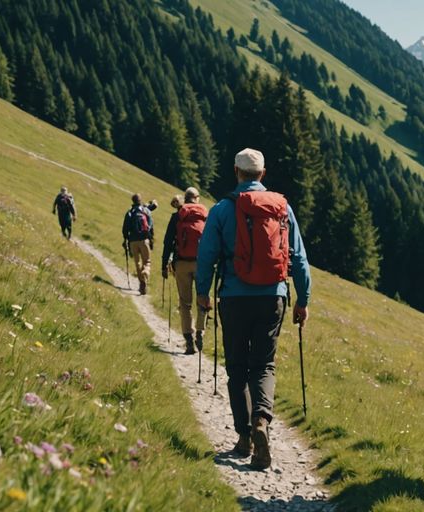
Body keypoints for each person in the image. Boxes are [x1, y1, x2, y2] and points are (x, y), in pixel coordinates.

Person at [196, 148, 312, 470]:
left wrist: (202, 293)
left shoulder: (221, 210)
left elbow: (206, 255)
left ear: (236, 172)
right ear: (262, 174)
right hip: (272, 297)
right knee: (264, 365)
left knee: (237, 367)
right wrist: (303, 300)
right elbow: (299, 258)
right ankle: (262, 418)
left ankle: (245, 437)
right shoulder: (282, 209)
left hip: (233, 297)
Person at [162, 187, 209, 355]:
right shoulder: (205, 215)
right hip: (201, 264)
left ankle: (188, 341)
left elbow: (168, 242)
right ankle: (200, 331)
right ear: (197, 198)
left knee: (185, 302)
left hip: (181, 263)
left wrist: (163, 265)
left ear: (185, 198)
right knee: (202, 298)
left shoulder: (177, 216)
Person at [122, 193, 154, 295]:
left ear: (133, 201)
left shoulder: (130, 212)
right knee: (147, 261)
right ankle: (146, 272)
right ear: (140, 200)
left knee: (138, 263)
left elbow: (125, 229)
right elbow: (151, 226)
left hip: (133, 241)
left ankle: (142, 284)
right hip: (144, 240)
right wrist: (151, 239)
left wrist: (126, 239)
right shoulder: (146, 211)